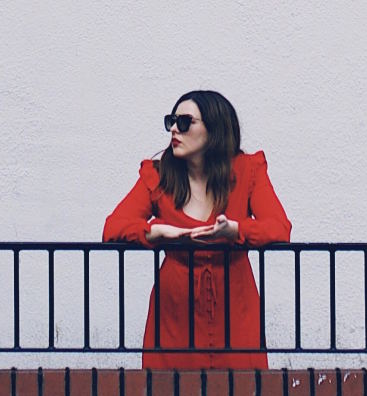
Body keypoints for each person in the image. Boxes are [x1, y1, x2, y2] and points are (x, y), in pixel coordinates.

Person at [103, 90, 291, 369]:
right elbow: (113, 226)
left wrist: (236, 230)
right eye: (171, 121)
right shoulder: (158, 175)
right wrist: (154, 232)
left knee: (239, 387)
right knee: (171, 389)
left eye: (185, 122)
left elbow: (279, 227)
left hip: (234, 304)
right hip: (175, 308)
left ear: (214, 129)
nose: (174, 130)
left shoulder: (247, 171)